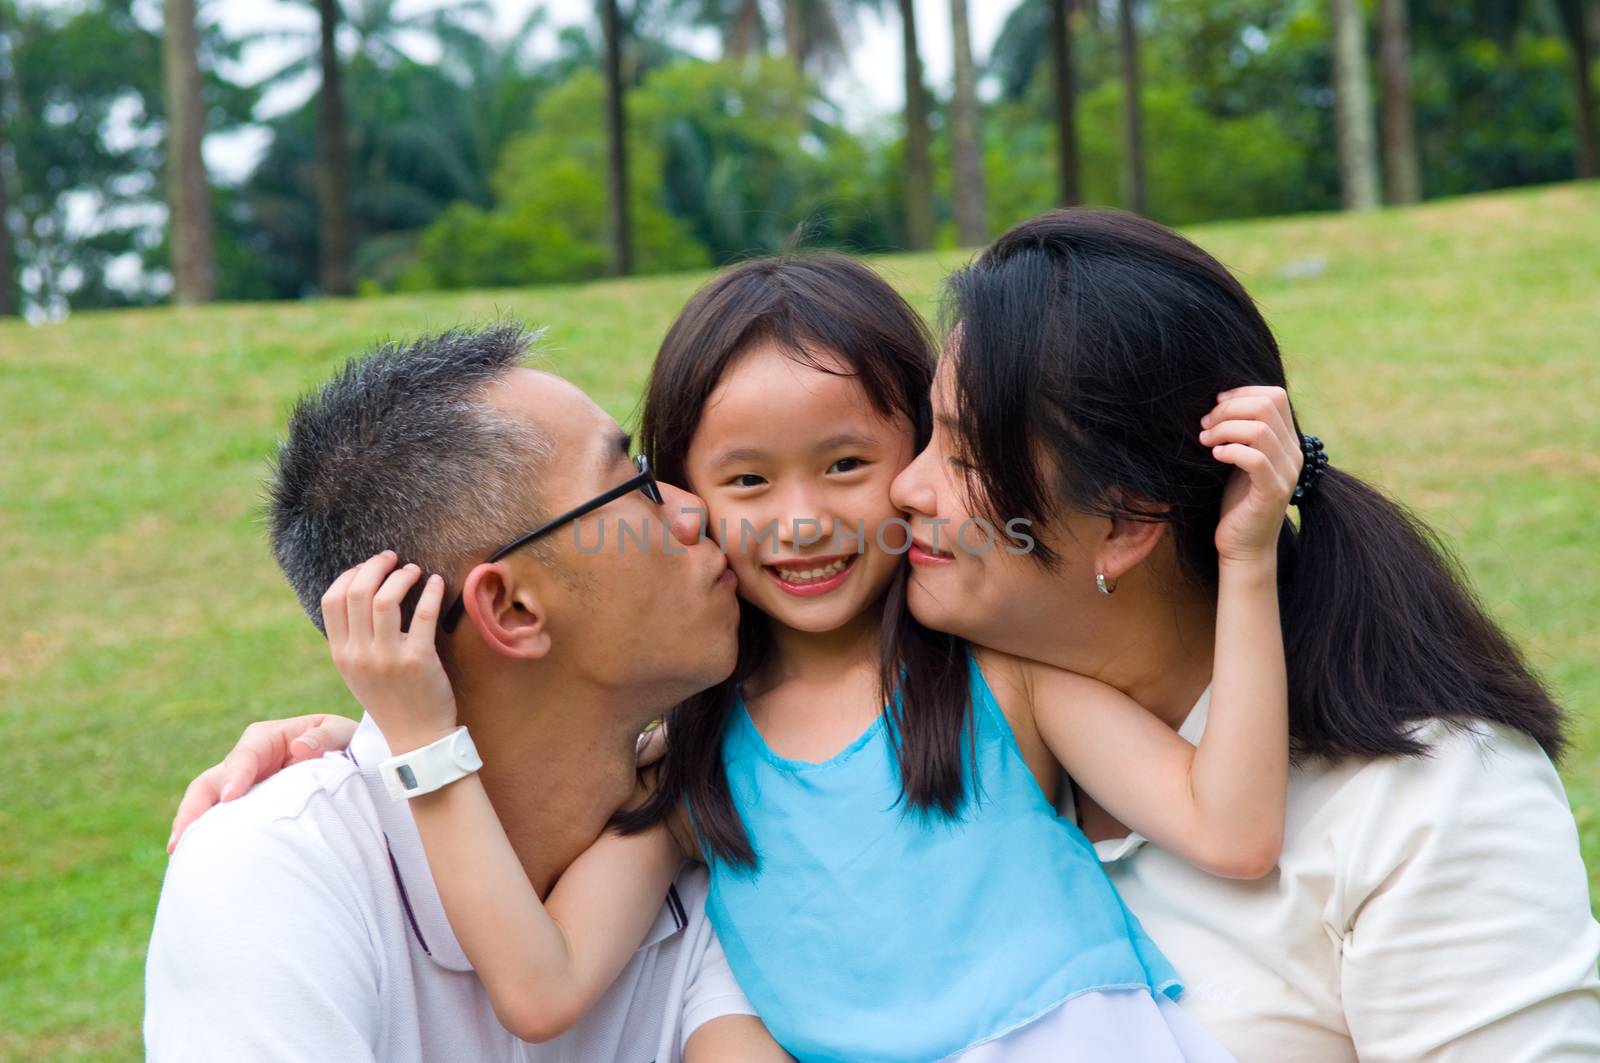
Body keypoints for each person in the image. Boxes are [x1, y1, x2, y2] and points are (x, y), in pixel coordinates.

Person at [178, 212, 1600, 1061]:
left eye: (922, 454)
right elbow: (544, 974)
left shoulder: (1036, 696)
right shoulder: (697, 761)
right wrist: (392, 744)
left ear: (1117, 525)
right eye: (725, 481)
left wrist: (1244, 558)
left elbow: (1235, 828)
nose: (865, 506)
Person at [144, 326, 790, 1061]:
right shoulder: (273, 879)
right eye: (635, 482)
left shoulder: (716, 838)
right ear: (513, 609)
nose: (691, 508)